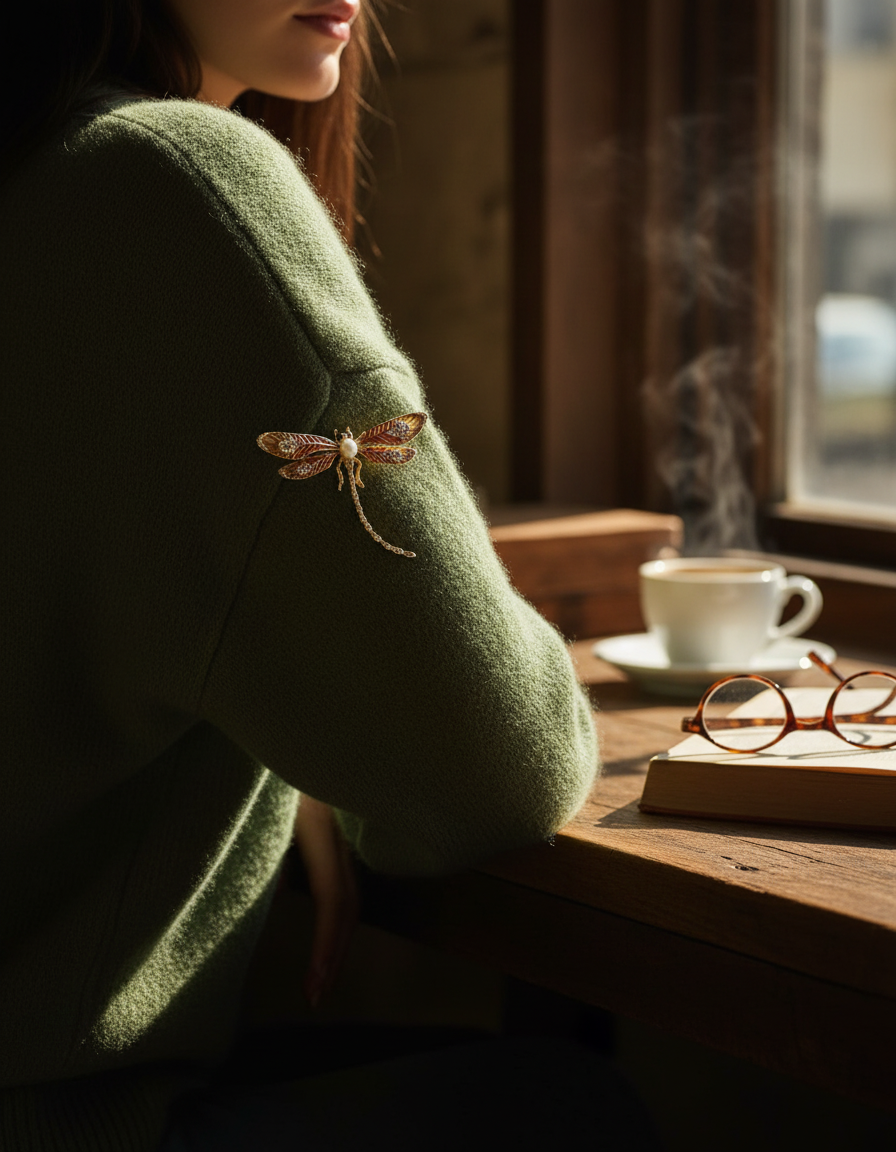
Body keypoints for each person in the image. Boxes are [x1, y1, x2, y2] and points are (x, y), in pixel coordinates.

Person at [0, 3, 660, 1149]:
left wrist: (276, 731)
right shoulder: (173, 176)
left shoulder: (34, 160)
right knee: (567, 1110)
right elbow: (499, 762)